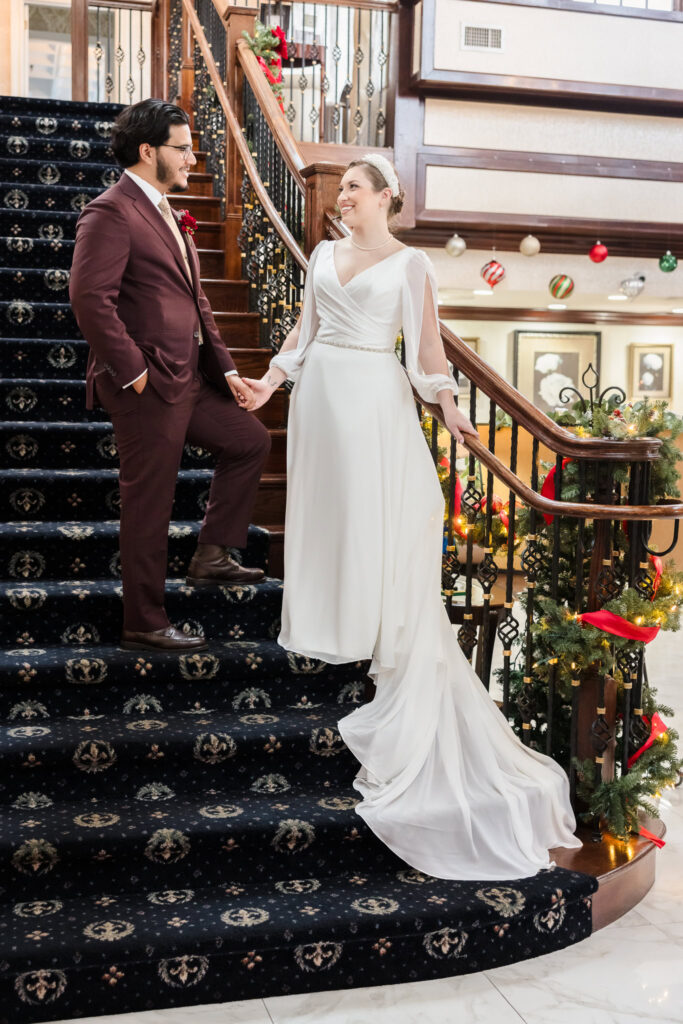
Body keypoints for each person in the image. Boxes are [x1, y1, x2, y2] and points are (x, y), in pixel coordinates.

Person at [243, 154, 582, 881]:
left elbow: (426, 351)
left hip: (373, 394)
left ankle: (368, 622)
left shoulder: (412, 265)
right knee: (327, 515)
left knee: (371, 516)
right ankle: (326, 617)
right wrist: (267, 382)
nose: (342, 200)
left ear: (386, 199)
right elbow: (301, 335)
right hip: (321, 399)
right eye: (339, 192)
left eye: (354, 191)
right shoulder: (323, 254)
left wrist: (451, 408)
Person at [70, 99, 271, 653]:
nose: (190, 158)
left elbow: (197, 302)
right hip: (147, 384)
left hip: (189, 379)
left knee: (249, 440)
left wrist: (226, 370)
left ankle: (212, 555)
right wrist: (133, 371)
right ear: (147, 151)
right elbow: (90, 299)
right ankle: (144, 619)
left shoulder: (167, 212)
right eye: (182, 148)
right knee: (150, 500)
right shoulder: (110, 211)